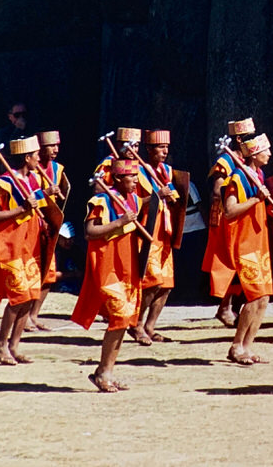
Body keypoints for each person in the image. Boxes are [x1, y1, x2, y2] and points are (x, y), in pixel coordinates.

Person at [71, 158, 143, 392]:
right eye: (132, 178)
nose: (136, 182)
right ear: (120, 179)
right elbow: (90, 232)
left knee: (122, 321)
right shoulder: (101, 201)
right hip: (107, 267)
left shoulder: (133, 199)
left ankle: (106, 372)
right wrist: (120, 221)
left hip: (127, 267)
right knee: (120, 317)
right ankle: (103, 371)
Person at [216, 133, 273, 365]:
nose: (269, 154)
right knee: (254, 296)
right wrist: (256, 200)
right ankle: (236, 346)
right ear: (254, 154)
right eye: (266, 150)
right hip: (244, 244)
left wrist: (267, 208)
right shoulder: (237, 178)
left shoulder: (258, 175)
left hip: (258, 243)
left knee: (264, 298)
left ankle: (247, 346)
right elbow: (230, 211)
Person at [0, 135, 46, 365]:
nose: (39, 158)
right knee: (18, 296)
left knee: (30, 296)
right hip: (9, 244)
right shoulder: (4, 183)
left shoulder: (32, 180)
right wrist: (21, 209)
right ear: (27, 157)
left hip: (28, 243)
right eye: (36, 155)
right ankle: (0, 345)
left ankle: (14, 346)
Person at [203, 118, 256, 328]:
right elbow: (217, 191)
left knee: (242, 262)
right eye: (251, 138)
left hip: (244, 219)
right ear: (240, 139)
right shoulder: (226, 161)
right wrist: (238, 195)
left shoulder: (247, 160)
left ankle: (231, 306)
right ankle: (224, 307)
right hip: (227, 218)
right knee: (229, 263)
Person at [130, 129, 180, 346]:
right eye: (160, 147)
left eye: (166, 147)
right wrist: (155, 196)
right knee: (152, 282)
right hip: (148, 232)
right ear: (149, 149)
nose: (165, 151)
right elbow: (132, 203)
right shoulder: (137, 172)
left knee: (166, 284)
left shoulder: (167, 171)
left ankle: (151, 325)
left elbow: (176, 197)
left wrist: (174, 197)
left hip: (165, 232)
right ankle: (137, 324)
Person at [28, 130, 70, 331]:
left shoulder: (58, 169)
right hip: (31, 223)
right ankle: (24, 315)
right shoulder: (29, 170)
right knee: (32, 271)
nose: (55, 150)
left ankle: (34, 314)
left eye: (57, 146)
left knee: (49, 273)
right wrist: (44, 193)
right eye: (50, 146)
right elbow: (24, 197)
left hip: (50, 225)